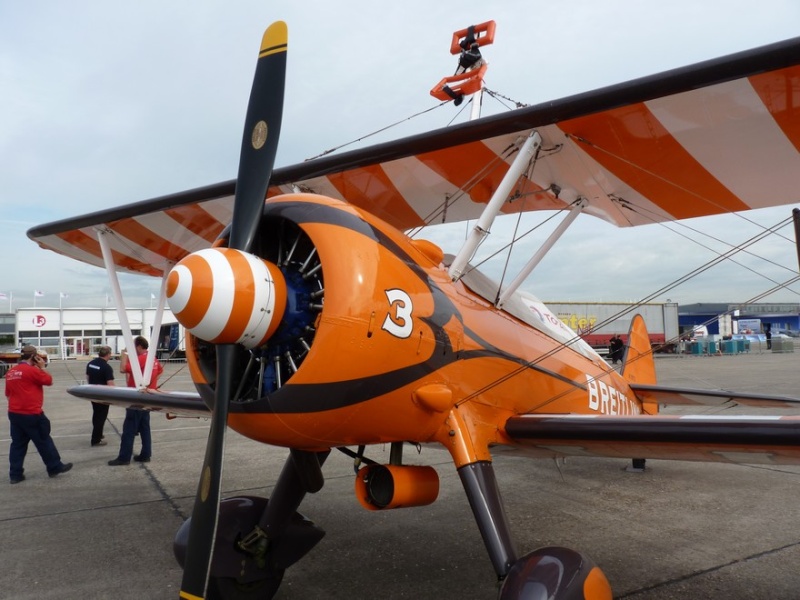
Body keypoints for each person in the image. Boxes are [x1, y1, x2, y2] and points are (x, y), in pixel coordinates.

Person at [5, 345, 72, 483]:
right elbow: (48, 381)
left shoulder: (11, 372)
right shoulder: (32, 371)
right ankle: (54, 466)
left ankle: (15, 474)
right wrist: (42, 367)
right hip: (31, 413)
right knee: (43, 440)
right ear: (34, 357)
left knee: (17, 444)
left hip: (14, 413)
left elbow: (8, 394)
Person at [108, 336, 163, 466]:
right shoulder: (152, 358)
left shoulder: (140, 359)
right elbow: (160, 371)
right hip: (148, 397)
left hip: (137, 397)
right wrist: (151, 384)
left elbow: (122, 369)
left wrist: (124, 353)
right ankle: (146, 454)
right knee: (144, 427)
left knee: (129, 427)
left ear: (138, 346)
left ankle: (124, 457)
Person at [86, 346, 114, 446]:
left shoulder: (91, 364)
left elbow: (88, 377)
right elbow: (110, 383)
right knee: (101, 417)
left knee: (96, 414)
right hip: (103, 395)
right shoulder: (106, 367)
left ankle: (99, 433)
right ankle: (96, 439)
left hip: (93, 393)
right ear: (108, 355)